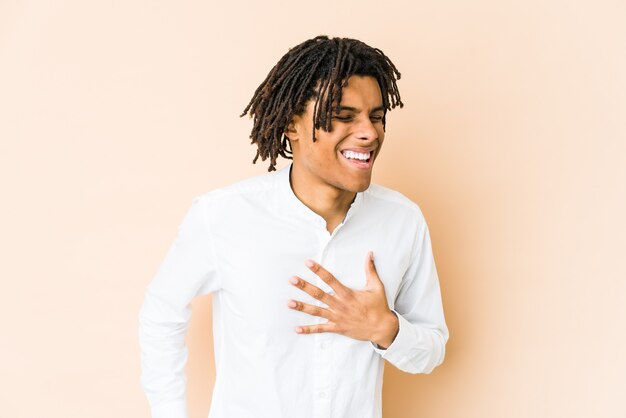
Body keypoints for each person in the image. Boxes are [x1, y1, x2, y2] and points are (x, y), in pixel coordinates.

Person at [138, 34, 449, 418]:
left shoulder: (402, 221)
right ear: (292, 125)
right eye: (343, 117)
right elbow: (160, 314)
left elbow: (431, 350)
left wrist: (384, 328)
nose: (369, 132)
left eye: (377, 116)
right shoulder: (223, 216)